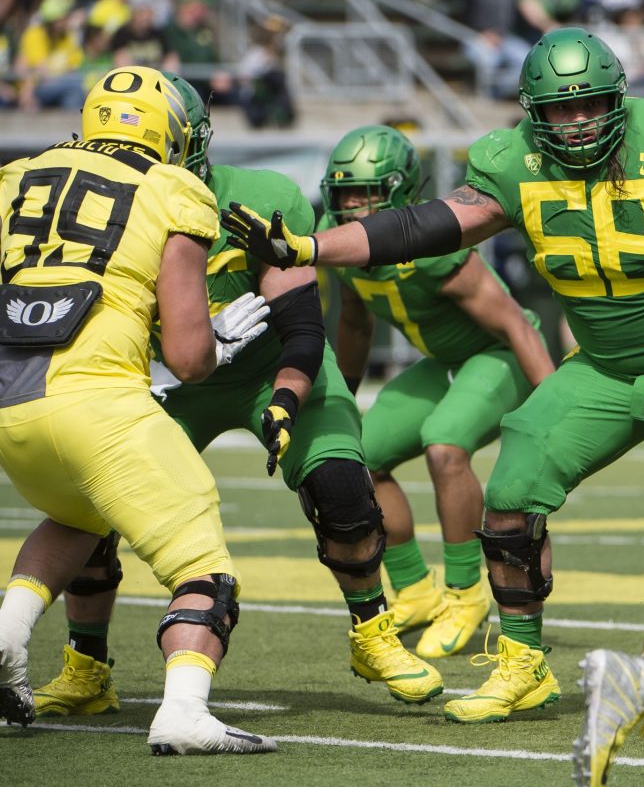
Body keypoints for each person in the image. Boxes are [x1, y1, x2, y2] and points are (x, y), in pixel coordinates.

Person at [221, 26, 644, 725]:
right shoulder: (516, 163)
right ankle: (524, 664)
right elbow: (418, 227)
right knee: (513, 491)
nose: (577, 123)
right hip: (606, 370)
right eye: (560, 110)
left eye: (589, 107)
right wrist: (310, 245)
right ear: (534, 114)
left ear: (617, 101)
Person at [31, 75, 443, 720]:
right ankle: (86, 666)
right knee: (94, 504)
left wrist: (285, 397)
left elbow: (304, 325)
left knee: (341, 489)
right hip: (172, 378)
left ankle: (375, 633)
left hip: (267, 367)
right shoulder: (106, 208)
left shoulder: (259, 197)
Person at [0, 65, 273, 754]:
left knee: (77, 513)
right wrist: (221, 344)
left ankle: (5, 636)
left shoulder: (18, 176)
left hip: (9, 404)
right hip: (95, 401)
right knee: (202, 568)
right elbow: (186, 358)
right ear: (174, 133)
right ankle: (184, 709)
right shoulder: (175, 187)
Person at [321, 124, 555, 659]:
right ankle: (416, 590)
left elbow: (515, 325)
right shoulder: (341, 243)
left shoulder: (433, 248)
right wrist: (344, 399)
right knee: (359, 455)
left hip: (498, 355)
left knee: (445, 447)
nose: (354, 206)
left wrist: (552, 408)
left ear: (400, 194)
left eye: (368, 193)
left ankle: (465, 592)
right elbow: (355, 324)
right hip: (447, 360)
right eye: (344, 193)